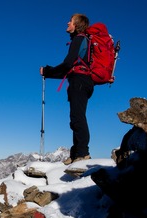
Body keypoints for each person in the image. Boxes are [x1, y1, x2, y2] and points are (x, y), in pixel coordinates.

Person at [40, 13, 94, 165]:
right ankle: (77, 152)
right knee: (76, 117)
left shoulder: (79, 39)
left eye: (70, 21)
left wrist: (48, 71)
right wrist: (49, 73)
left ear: (76, 25)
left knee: (77, 117)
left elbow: (68, 64)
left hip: (79, 82)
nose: (67, 23)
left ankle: (83, 153)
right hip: (83, 82)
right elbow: (70, 68)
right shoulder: (85, 41)